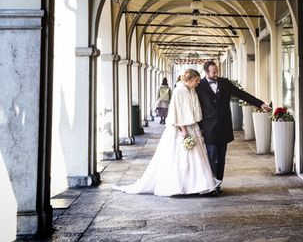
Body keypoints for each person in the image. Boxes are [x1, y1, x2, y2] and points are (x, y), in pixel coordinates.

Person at [114, 69, 219, 196]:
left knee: (196, 158)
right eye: (196, 80)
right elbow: (177, 111)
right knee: (180, 157)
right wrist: (184, 131)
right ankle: (179, 186)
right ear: (189, 80)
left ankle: (197, 185)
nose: (198, 83)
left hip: (193, 126)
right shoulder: (179, 91)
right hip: (181, 128)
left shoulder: (191, 90)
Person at [197, 60, 271, 193]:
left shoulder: (225, 82)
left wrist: (260, 104)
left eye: (217, 71)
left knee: (221, 158)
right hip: (209, 128)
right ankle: (211, 185)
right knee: (211, 157)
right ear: (206, 72)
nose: (216, 74)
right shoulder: (199, 86)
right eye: (214, 72)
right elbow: (194, 107)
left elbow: (241, 94)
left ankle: (218, 183)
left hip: (224, 126)